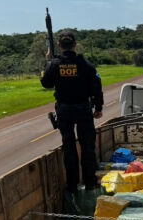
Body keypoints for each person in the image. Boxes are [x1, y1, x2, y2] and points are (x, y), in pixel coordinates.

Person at [40, 31, 104, 193]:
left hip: (64, 110)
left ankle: (72, 185)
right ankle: (90, 183)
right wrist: (98, 108)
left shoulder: (54, 64)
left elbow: (46, 83)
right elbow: (97, 88)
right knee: (87, 147)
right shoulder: (86, 65)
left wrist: (48, 62)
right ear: (75, 45)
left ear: (60, 46)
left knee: (69, 148)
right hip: (83, 109)